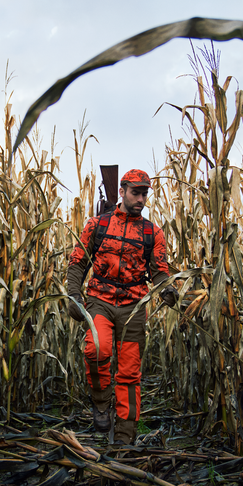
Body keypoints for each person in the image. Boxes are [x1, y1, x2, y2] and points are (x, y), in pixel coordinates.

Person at [66, 169, 177, 445]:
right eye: (135, 192)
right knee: (96, 348)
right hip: (100, 301)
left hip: (134, 307)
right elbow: (78, 263)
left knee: (129, 373)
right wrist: (73, 295)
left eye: (144, 194)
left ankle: (125, 439)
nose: (140, 199)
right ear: (123, 191)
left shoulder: (153, 233)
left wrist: (167, 289)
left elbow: (160, 272)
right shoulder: (97, 225)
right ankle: (101, 403)